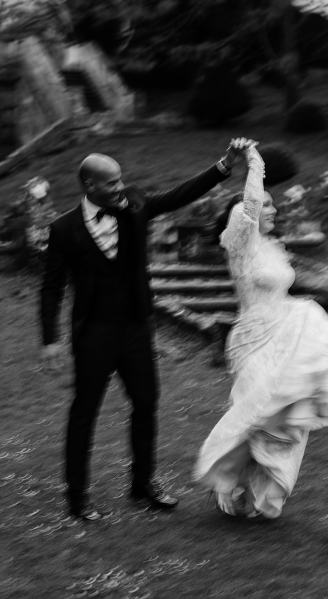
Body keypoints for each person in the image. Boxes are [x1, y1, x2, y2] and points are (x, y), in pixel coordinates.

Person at [40, 139, 253, 521]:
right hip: (93, 335)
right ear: (89, 185)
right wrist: (50, 340)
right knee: (84, 413)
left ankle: (142, 487)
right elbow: (52, 287)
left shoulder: (136, 205)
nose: (120, 187)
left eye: (121, 180)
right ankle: (77, 498)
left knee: (146, 405)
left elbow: (178, 195)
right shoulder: (64, 229)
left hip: (136, 329)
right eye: (111, 183)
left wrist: (223, 166)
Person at [194, 145, 328, 519]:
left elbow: (281, 289)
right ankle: (227, 481)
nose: (273, 210)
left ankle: (259, 496)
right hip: (251, 341)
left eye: (274, 206)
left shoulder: (274, 247)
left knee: (284, 419)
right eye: (267, 205)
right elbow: (250, 205)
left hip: (285, 333)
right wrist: (254, 162)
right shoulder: (239, 244)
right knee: (254, 412)